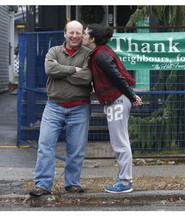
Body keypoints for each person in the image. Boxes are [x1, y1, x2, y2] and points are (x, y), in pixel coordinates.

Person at [29, 20, 92, 197]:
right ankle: (42, 184)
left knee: (76, 148)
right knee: (45, 145)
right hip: (53, 106)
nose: (74, 36)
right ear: (65, 33)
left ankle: (72, 183)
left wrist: (62, 73)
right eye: (71, 32)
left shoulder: (89, 54)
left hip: (79, 107)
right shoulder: (54, 51)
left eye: (78, 33)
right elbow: (49, 69)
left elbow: (87, 78)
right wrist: (74, 70)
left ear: (82, 35)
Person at [82, 24, 143, 193]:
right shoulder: (100, 52)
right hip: (116, 100)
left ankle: (125, 182)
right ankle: (123, 178)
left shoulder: (101, 55)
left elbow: (117, 77)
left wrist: (131, 96)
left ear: (92, 39)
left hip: (117, 100)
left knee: (120, 142)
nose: (83, 36)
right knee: (120, 141)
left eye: (85, 34)